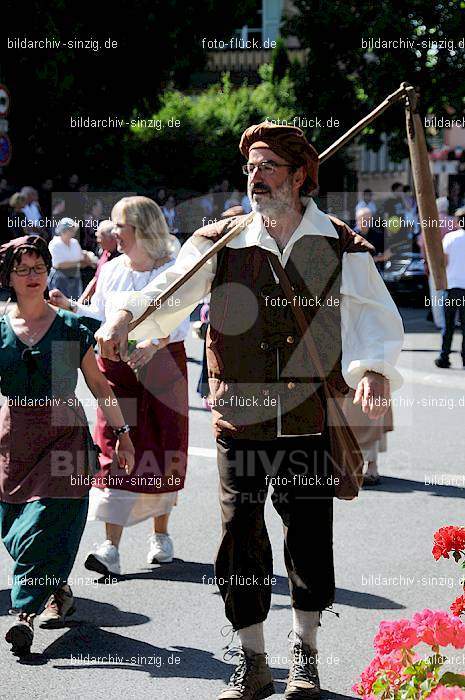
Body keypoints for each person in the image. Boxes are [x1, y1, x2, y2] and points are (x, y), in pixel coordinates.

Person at [96, 122, 404, 700]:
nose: (255, 178)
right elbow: (169, 291)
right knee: (239, 532)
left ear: (300, 176)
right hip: (240, 415)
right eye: (250, 168)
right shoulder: (223, 240)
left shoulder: (338, 243)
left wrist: (377, 373)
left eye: (267, 167)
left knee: (308, 536)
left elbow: (371, 316)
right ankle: (253, 658)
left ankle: (305, 657)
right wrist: (121, 318)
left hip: (309, 415)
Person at [0, 235, 134, 656]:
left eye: (39, 267)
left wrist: (123, 434)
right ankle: (57, 586)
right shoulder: (1, 330)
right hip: (15, 435)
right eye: (22, 269)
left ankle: (24, 616)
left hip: (64, 433)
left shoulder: (70, 327)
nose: (32, 276)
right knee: (18, 528)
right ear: (8, 277)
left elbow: (99, 385)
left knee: (48, 518)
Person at [49, 196, 189, 575]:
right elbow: (101, 316)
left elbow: (182, 320)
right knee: (114, 446)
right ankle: (110, 546)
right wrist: (71, 307)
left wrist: (151, 344)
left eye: (118, 225)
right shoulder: (111, 270)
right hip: (116, 370)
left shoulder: (175, 268)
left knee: (163, 447)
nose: (111, 232)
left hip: (162, 368)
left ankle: (160, 535)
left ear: (142, 228)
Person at [419, 197, 457, 330]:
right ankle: (452, 320)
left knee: (436, 295)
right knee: (451, 293)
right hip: (451, 263)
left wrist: (425, 261)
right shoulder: (453, 222)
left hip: (434, 262)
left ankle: (440, 322)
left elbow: (422, 244)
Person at [434, 206, 465, 369]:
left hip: (452, 287)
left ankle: (444, 356)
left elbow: (443, 262)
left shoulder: (450, 238)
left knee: (449, 325)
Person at [48, 217, 95, 300]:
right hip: (60, 279)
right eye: (71, 230)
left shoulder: (74, 242)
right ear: (64, 230)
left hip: (75, 278)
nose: (73, 232)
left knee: (75, 303)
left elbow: (81, 257)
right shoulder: (55, 244)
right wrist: (79, 263)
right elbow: (59, 264)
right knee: (59, 302)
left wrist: (89, 259)